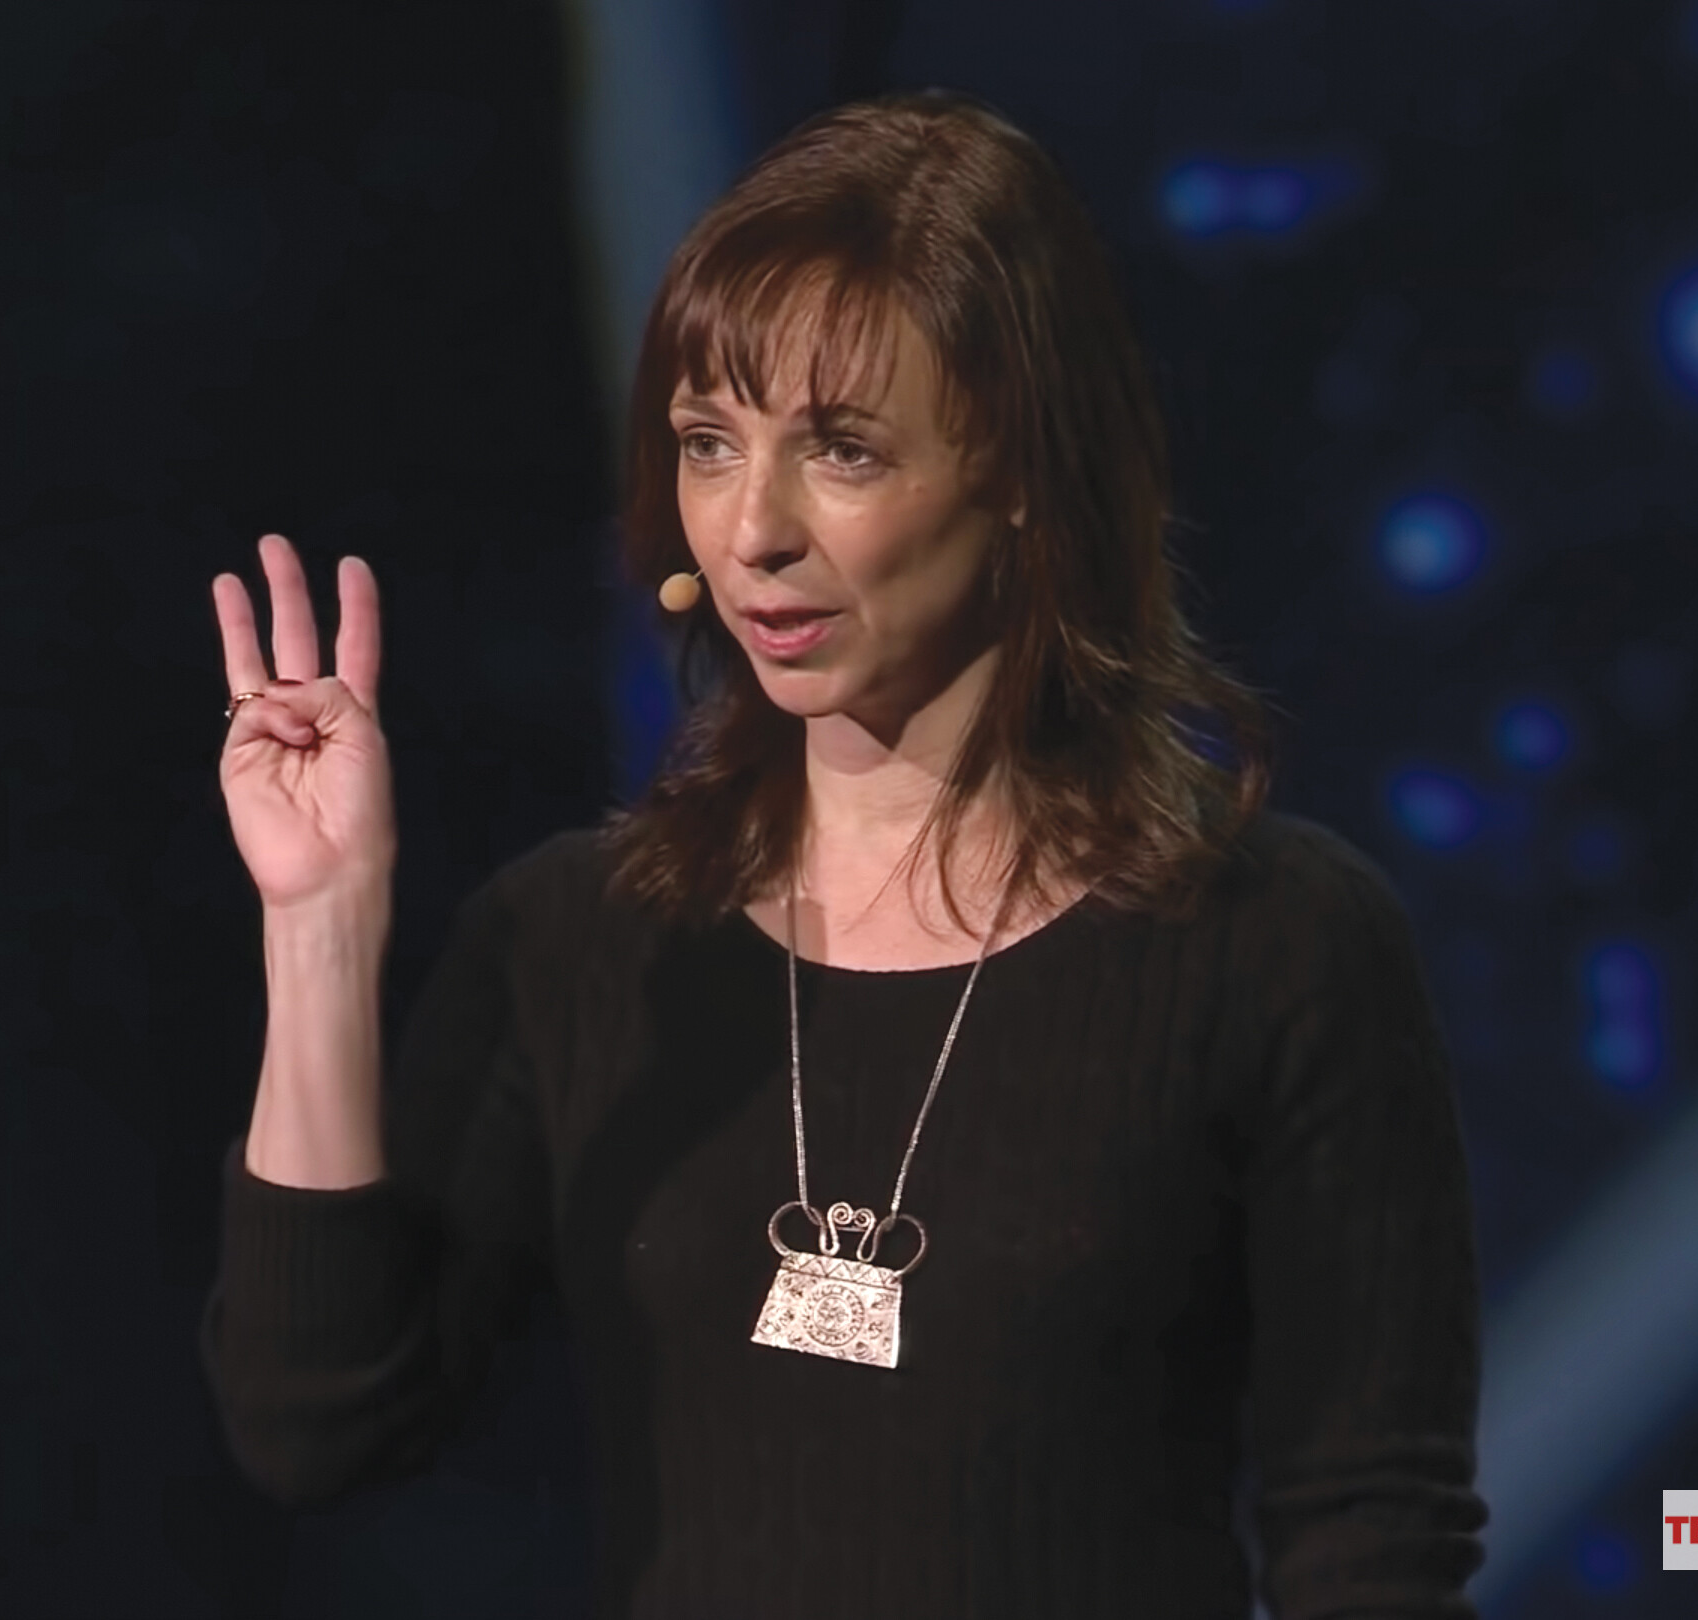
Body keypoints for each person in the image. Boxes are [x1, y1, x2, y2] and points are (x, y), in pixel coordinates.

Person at [200, 91, 1486, 1618]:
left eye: (843, 452)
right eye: (707, 444)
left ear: (1015, 464)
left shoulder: (1276, 946)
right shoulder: (585, 938)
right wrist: (321, 922)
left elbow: (1373, 1544)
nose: (753, 530)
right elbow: (317, 1424)